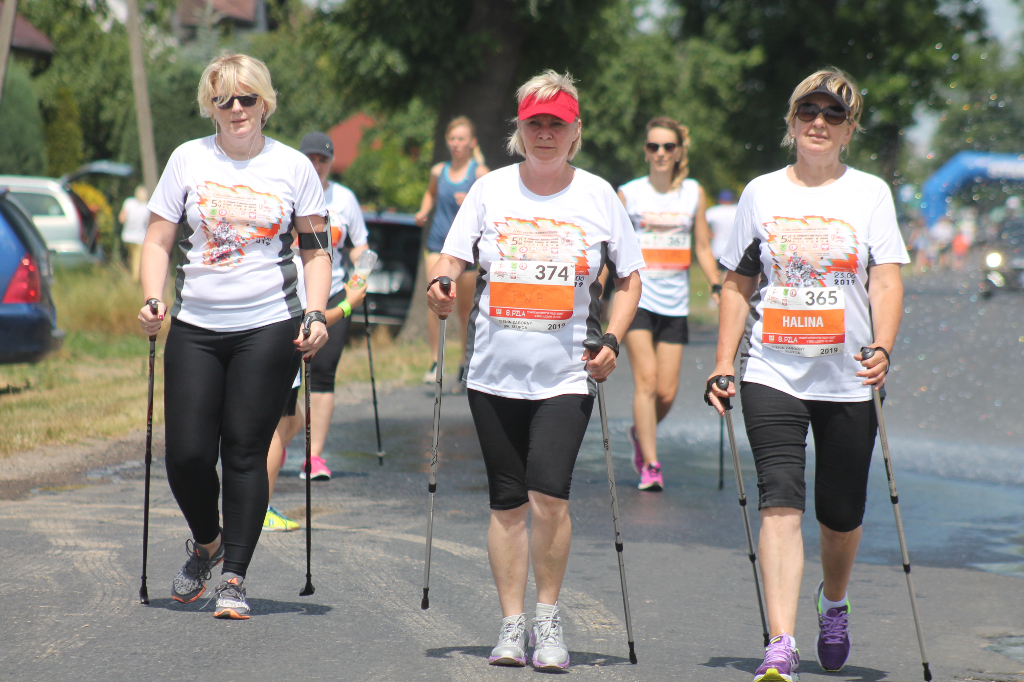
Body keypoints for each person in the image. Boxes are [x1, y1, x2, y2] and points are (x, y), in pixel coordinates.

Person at [427, 70, 643, 671]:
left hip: (567, 375)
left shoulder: (599, 196)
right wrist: (441, 284)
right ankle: (510, 623)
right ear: (519, 130)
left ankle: (548, 618)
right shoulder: (491, 190)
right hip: (493, 373)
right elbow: (452, 256)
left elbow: (629, 279)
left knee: (549, 495)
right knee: (507, 504)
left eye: (557, 124)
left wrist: (614, 337)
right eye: (535, 123)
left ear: (575, 132)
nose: (545, 133)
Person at [706, 67, 908, 680]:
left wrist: (885, 346)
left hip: (848, 376)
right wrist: (722, 363)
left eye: (833, 115)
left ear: (849, 131)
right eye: (808, 112)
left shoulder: (869, 193)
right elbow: (738, 282)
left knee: (840, 514)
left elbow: (886, 278)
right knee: (780, 505)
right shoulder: (761, 192)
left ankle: (834, 601)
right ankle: (781, 641)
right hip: (772, 369)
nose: (819, 123)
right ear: (792, 123)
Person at [137, 53, 331, 619]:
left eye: (247, 98)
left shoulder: (294, 167)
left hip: (268, 325)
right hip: (196, 324)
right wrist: (153, 299)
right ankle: (208, 543)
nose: (237, 109)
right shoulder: (187, 160)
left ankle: (234, 579)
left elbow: (316, 253)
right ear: (211, 106)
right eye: (224, 99)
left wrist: (315, 314)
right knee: (187, 456)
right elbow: (157, 240)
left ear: (265, 102)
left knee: (245, 451)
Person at [618, 118, 720, 491]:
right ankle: (651, 464)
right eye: (653, 147)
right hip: (637, 298)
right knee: (645, 381)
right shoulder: (628, 194)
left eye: (668, 147)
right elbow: (614, 248)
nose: (660, 153)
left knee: (666, 392)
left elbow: (703, 247)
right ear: (646, 151)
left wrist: (715, 283)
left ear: (679, 152)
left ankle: (638, 432)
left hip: (675, 303)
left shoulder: (693, 193)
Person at [295, 131, 369, 481]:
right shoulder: (287, 191)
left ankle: (314, 457)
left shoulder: (345, 198)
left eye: (322, 160)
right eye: (310, 158)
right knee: (281, 380)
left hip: (333, 293)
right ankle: (272, 448)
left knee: (323, 376)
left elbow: (360, 246)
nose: (316, 165)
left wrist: (364, 272)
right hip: (287, 295)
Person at [415, 116, 489, 385]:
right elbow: (430, 193)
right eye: (452, 139)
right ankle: (436, 360)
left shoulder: (479, 173)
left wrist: (467, 198)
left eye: (461, 139)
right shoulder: (438, 171)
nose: (456, 144)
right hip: (438, 242)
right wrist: (424, 211)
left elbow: (488, 204)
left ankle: (464, 362)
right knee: (435, 296)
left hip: (467, 250)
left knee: (464, 308)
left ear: (471, 143)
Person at [119, 185, 150, 282]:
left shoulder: (129, 202)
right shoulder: (147, 206)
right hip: (140, 237)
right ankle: (135, 279)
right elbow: (148, 223)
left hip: (127, 236)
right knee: (137, 259)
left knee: (131, 257)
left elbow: (121, 219)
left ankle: (132, 277)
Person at [707, 188, 738, 262]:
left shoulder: (712, 211)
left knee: (718, 273)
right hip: (736, 251)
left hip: (717, 249)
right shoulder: (738, 210)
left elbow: (703, 228)